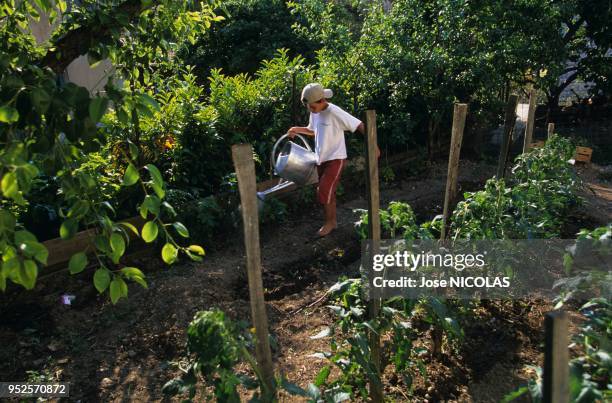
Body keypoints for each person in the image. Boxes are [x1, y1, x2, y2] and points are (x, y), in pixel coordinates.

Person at [287, 83, 380, 237]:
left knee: (324, 190)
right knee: (329, 191)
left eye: (312, 107)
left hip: (336, 159)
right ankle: (332, 221)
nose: (310, 110)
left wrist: (373, 145)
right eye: (308, 107)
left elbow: (360, 125)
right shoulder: (315, 112)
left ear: (322, 101)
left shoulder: (334, 112)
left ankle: (330, 223)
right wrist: (296, 129)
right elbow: (313, 130)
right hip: (321, 159)